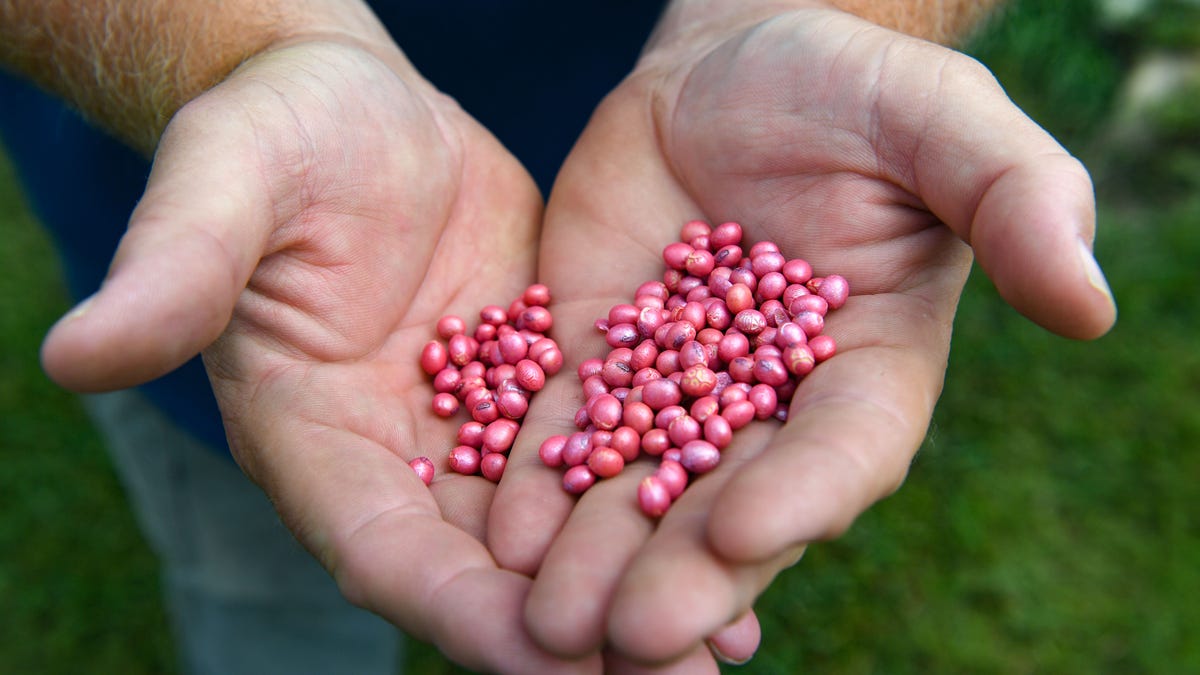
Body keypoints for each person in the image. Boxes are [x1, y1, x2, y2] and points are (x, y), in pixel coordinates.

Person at [0, 1, 1117, 673]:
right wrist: (233, 46)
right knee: (257, 583)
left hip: (702, 117)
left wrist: (828, 13)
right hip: (287, 276)